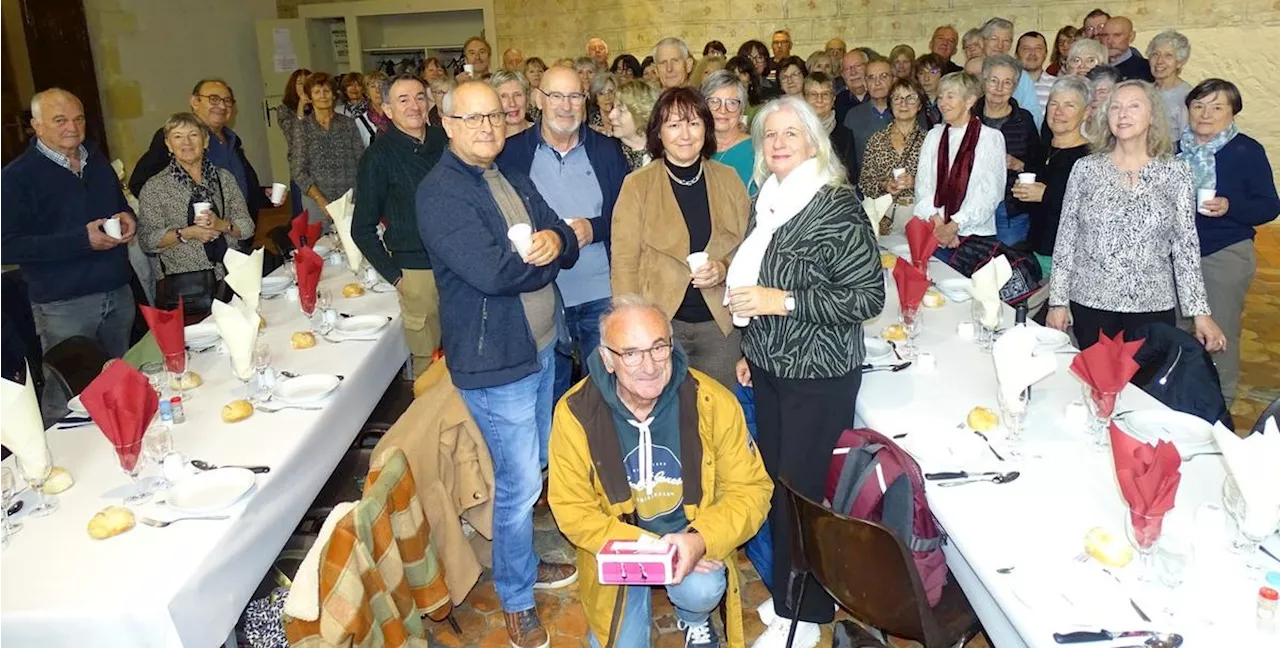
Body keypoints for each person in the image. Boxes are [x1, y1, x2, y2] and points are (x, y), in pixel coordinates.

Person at [417, 80, 581, 648]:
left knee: (530, 469)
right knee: (516, 482)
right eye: (472, 119)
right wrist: (547, 262)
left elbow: (561, 230)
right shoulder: (441, 193)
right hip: (496, 361)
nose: (487, 127)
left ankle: (522, 564)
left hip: (537, 348)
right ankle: (516, 596)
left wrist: (557, 245)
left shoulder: (508, 175)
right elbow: (492, 273)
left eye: (494, 117)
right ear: (448, 123)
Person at [726, 96, 885, 648]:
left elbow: (867, 296)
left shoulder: (834, 204)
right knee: (778, 485)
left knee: (801, 495)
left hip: (817, 375)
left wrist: (786, 302)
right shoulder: (769, 199)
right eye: (770, 134)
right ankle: (794, 596)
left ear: (813, 141)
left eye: (791, 132)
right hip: (772, 367)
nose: (779, 142)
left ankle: (809, 614)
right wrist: (751, 347)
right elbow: (754, 289)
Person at [547, 295, 773, 648]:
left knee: (704, 589)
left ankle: (693, 617)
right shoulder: (575, 413)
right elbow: (572, 510)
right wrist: (653, 551)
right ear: (607, 358)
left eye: (658, 348)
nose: (649, 366)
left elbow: (753, 490)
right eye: (631, 353)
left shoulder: (712, 402)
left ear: (672, 345)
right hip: (619, 546)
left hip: (688, 535)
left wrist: (700, 540)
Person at [1046, 80, 1224, 352]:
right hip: (1091, 300)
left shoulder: (1175, 172)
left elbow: (1185, 245)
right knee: (1098, 383)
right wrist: (1058, 301)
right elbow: (1067, 237)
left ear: (1152, 116)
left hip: (1151, 304)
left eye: (1133, 106)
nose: (1123, 114)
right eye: (1115, 107)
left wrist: (1200, 312)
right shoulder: (1085, 169)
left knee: (1144, 388)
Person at [498, 66, 629, 402]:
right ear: (539, 99)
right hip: (539, 294)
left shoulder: (606, 150)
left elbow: (627, 215)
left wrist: (594, 227)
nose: (566, 106)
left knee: (602, 393)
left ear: (585, 100)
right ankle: (554, 456)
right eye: (556, 96)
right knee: (548, 395)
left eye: (574, 96)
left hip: (600, 292)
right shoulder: (511, 153)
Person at [611, 88, 749, 388]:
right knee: (669, 416)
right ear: (658, 133)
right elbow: (624, 263)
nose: (685, 134)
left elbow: (747, 248)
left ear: (706, 129)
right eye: (674, 125)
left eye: (694, 123)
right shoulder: (637, 185)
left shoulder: (729, 179)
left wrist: (723, 267)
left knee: (719, 416)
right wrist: (630, 327)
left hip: (719, 326)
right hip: (660, 326)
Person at [0, 88, 136, 357]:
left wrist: (129, 219)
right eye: (60, 120)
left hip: (117, 292)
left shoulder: (97, 162)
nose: (72, 127)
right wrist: (80, 241)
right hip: (64, 305)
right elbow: (7, 246)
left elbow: (120, 207)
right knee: (70, 390)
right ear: (36, 126)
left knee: (121, 383)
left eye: (79, 119)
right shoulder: (16, 177)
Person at [1178, 79, 1280, 404]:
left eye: (1216, 106)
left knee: (1216, 335)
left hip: (1223, 252)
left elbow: (1269, 206)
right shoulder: (1175, 150)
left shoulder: (1246, 150)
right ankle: (1177, 397)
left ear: (1232, 112)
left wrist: (1230, 206)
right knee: (1178, 330)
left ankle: (1218, 406)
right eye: (1198, 106)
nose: (1205, 114)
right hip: (1177, 254)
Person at [352, 75, 447, 377]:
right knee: (428, 359)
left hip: (459, 265)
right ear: (387, 110)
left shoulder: (446, 141)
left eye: (420, 97)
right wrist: (396, 278)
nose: (414, 105)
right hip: (416, 272)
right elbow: (362, 228)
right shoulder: (377, 157)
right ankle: (427, 425)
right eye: (403, 99)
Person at [137, 112, 254, 311]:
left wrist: (222, 225)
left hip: (231, 276)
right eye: (178, 136)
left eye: (193, 135)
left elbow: (248, 226)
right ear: (168, 144)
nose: (187, 143)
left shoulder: (223, 179)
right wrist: (186, 233)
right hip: (185, 287)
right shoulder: (155, 187)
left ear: (205, 140)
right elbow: (147, 240)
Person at [130, 79, 269, 234]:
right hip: (195, 243)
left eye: (227, 100)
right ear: (195, 101)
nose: (222, 106)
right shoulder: (179, 141)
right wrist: (182, 226)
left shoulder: (231, 139)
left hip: (236, 235)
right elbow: (140, 184)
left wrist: (262, 195)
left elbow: (238, 186)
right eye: (214, 99)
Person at [912, 72, 1007, 249]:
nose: (943, 103)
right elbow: (922, 184)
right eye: (940, 97)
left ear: (969, 101)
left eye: (950, 96)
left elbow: (990, 192)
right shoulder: (934, 135)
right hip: (935, 230)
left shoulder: (990, 138)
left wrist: (954, 225)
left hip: (973, 234)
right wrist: (940, 225)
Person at [1011, 75, 1092, 276]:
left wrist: (1046, 195)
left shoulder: (1090, 159)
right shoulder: (1041, 149)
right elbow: (1031, 208)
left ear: (1086, 113)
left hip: (1068, 259)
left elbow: (1091, 212)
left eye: (1069, 105)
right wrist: (1021, 194)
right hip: (1035, 249)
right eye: (1053, 104)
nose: (1059, 112)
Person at [976, 54, 1042, 246]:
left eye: (1007, 83)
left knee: (1009, 264)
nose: (999, 88)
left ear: (1015, 87)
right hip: (972, 206)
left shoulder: (1024, 120)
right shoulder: (968, 116)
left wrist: (1019, 164)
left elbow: (1038, 164)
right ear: (984, 82)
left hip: (1011, 208)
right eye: (994, 81)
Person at [292, 72, 364, 225]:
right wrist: (319, 198)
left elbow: (361, 160)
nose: (322, 96)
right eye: (317, 92)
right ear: (310, 98)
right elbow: (299, 171)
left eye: (326, 91)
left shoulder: (348, 124)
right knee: (321, 246)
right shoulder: (303, 127)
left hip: (349, 199)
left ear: (334, 95)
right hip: (316, 202)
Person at [859, 78, 928, 234]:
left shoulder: (930, 140)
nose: (903, 104)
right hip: (884, 214)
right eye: (897, 98)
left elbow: (941, 183)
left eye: (910, 98)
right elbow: (864, 182)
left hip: (918, 215)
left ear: (920, 105)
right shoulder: (877, 140)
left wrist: (916, 182)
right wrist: (885, 185)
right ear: (890, 104)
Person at [841, 58, 908, 181]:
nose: (877, 83)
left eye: (883, 76)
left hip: (905, 189)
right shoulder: (853, 116)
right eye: (871, 78)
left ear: (894, 80)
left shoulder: (909, 112)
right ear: (865, 84)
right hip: (865, 193)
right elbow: (847, 163)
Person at [981, 17, 1044, 129]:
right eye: (994, 39)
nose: (1000, 45)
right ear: (983, 41)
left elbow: (1035, 114)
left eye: (1006, 40)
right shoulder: (971, 71)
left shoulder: (1022, 76)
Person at [804, 72, 858, 185]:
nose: (819, 99)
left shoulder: (845, 135)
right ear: (804, 98)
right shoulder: (794, 131)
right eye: (813, 94)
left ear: (833, 99)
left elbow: (850, 178)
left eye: (825, 94)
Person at [704, 70, 754, 188]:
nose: (722, 110)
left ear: (741, 110)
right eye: (715, 101)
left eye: (731, 103)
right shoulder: (695, 149)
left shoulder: (756, 150)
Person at [275, 68, 312, 217]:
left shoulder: (319, 107)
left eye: (308, 83)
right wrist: (301, 107)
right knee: (300, 211)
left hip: (322, 164)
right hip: (300, 164)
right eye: (299, 83)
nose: (303, 87)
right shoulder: (284, 110)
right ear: (293, 86)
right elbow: (292, 134)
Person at [1148, 30, 1192, 135]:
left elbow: (1187, 140)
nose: (1159, 61)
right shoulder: (1144, 91)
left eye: (1168, 56)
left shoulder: (1187, 96)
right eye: (1155, 54)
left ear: (1180, 62)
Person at [609, 79, 659, 171]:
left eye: (621, 110)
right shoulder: (607, 152)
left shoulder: (664, 153)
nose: (611, 115)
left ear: (642, 114)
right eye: (613, 107)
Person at [1101, 16, 1154, 82]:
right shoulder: (1094, 66)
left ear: (1131, 36)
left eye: (1117, 35)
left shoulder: (1148, 69)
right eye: (1105, 35)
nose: (1109, 41)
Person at [1018, 31, 1056, 119]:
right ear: (1017, 54)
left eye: (1038, 49)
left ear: (1046, 54)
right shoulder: (1006, 84)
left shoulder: (1058, 85)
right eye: (1026, 49)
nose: (1032, 53)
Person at [491, 69, 533, 138]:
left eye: (517, 95)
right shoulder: (488, 140)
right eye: (504, 96)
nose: (512, 103)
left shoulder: (542, 135)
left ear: (527, 99)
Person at [353, 71, 390, 146]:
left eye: (381, 85)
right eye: (373, 86)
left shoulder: (398, 117)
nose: (378, 90)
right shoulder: (359, 122)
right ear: (367, 93)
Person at [835, 49, 869, 124]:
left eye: (858, 66)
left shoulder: (882, 98)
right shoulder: (837, 103)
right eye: (847, 69)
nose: (853, 72)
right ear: (842, 75)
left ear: (868, 67)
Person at [914, 53, 947, 126]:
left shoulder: (950, 101)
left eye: (933, 72)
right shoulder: (913, 103)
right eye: (921, 73)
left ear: (942, 74)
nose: (926, 78)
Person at [525, 57, 548, 121]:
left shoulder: (549, 95)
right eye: (532, 71)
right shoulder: (522, 96)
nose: (536, 74)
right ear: (525, 75)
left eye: (540, 71)